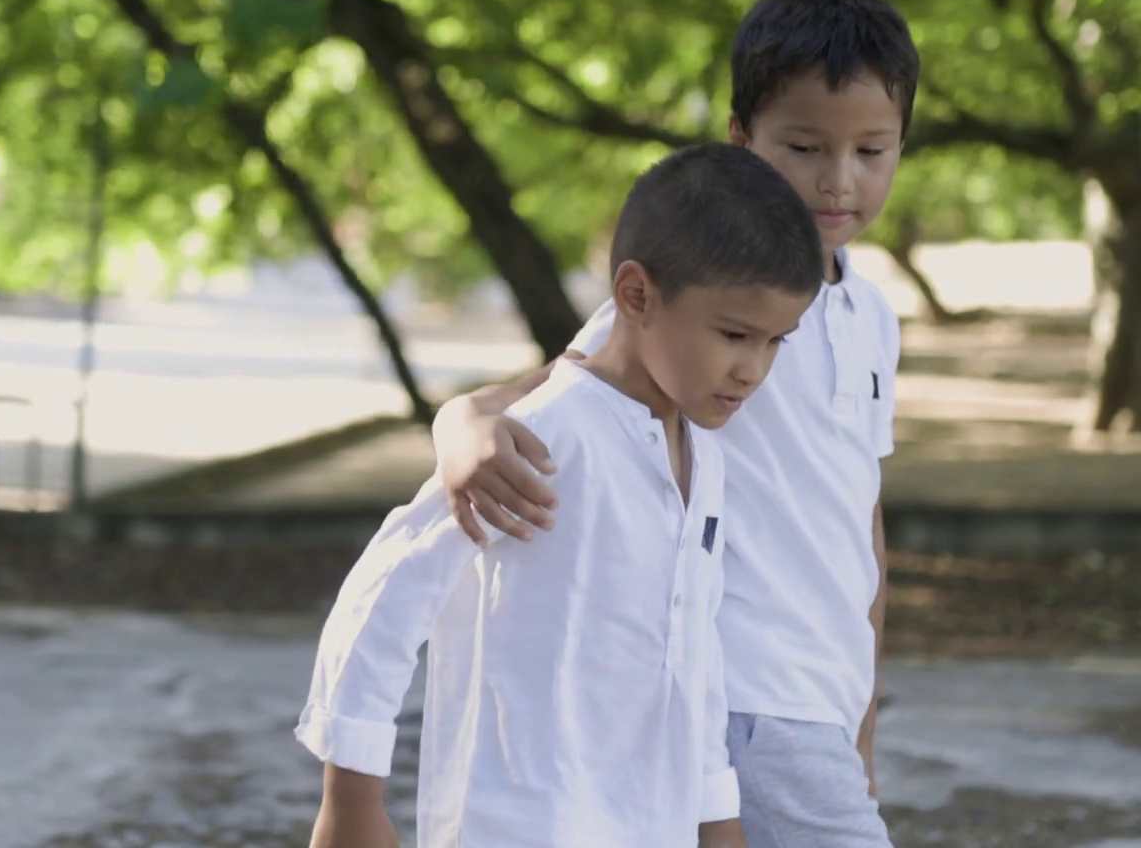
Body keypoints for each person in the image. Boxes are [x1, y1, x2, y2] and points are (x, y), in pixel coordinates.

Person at [432, 0, 916, 847]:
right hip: (739, 692)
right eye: (805, 146)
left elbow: (861, 519)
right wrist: (460, 421)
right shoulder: (710, 302)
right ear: (740, 139)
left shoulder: (873, 317)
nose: (839, 179)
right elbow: (566, 381)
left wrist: (863, 719)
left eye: (872, 150)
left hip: (822, 702)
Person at [297, 143, 825, 848]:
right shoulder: (543, 434)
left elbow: (690, 658)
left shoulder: (707, 463)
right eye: (734, 335)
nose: (753, 369)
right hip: (516, 825)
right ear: (636, 296)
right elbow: (387, 593)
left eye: (775, 342)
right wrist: (351, 798)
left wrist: (715, 817)